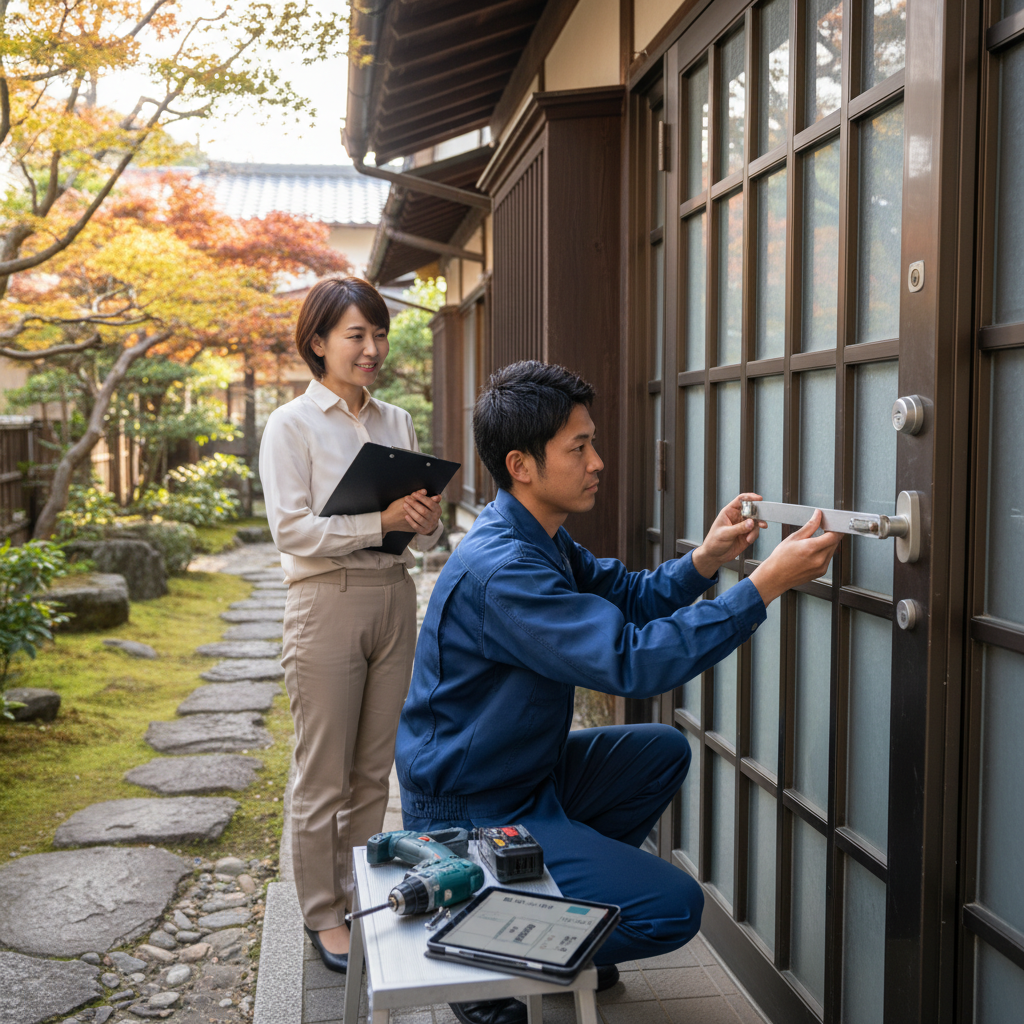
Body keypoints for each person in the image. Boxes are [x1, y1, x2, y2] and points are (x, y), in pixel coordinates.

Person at [395, 360, 839, 1024]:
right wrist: (762, 586)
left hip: (522, 778)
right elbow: (632, 662)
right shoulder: (505, 568)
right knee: (672, 908)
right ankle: (486, 956)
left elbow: (627, 596)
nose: (597, 462)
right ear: (521, 465)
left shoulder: (535, 534)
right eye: (579, 448)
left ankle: (562, 924)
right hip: (470, 811)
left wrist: (706, 560)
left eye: (592, 443)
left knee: (660, 752)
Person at [260, 277, 443, 974]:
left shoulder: (397, 420)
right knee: (323, 775)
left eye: (379, 334)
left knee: (373, 772)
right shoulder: (292, 425)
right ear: (318, 342)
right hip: (325, 601)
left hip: (394, 595)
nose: (372, 349)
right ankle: (321, 914)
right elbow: (291, 529)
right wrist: (379, 520)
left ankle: (361, 893)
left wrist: (420, 522)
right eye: (356, 335)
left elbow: (418, 534)